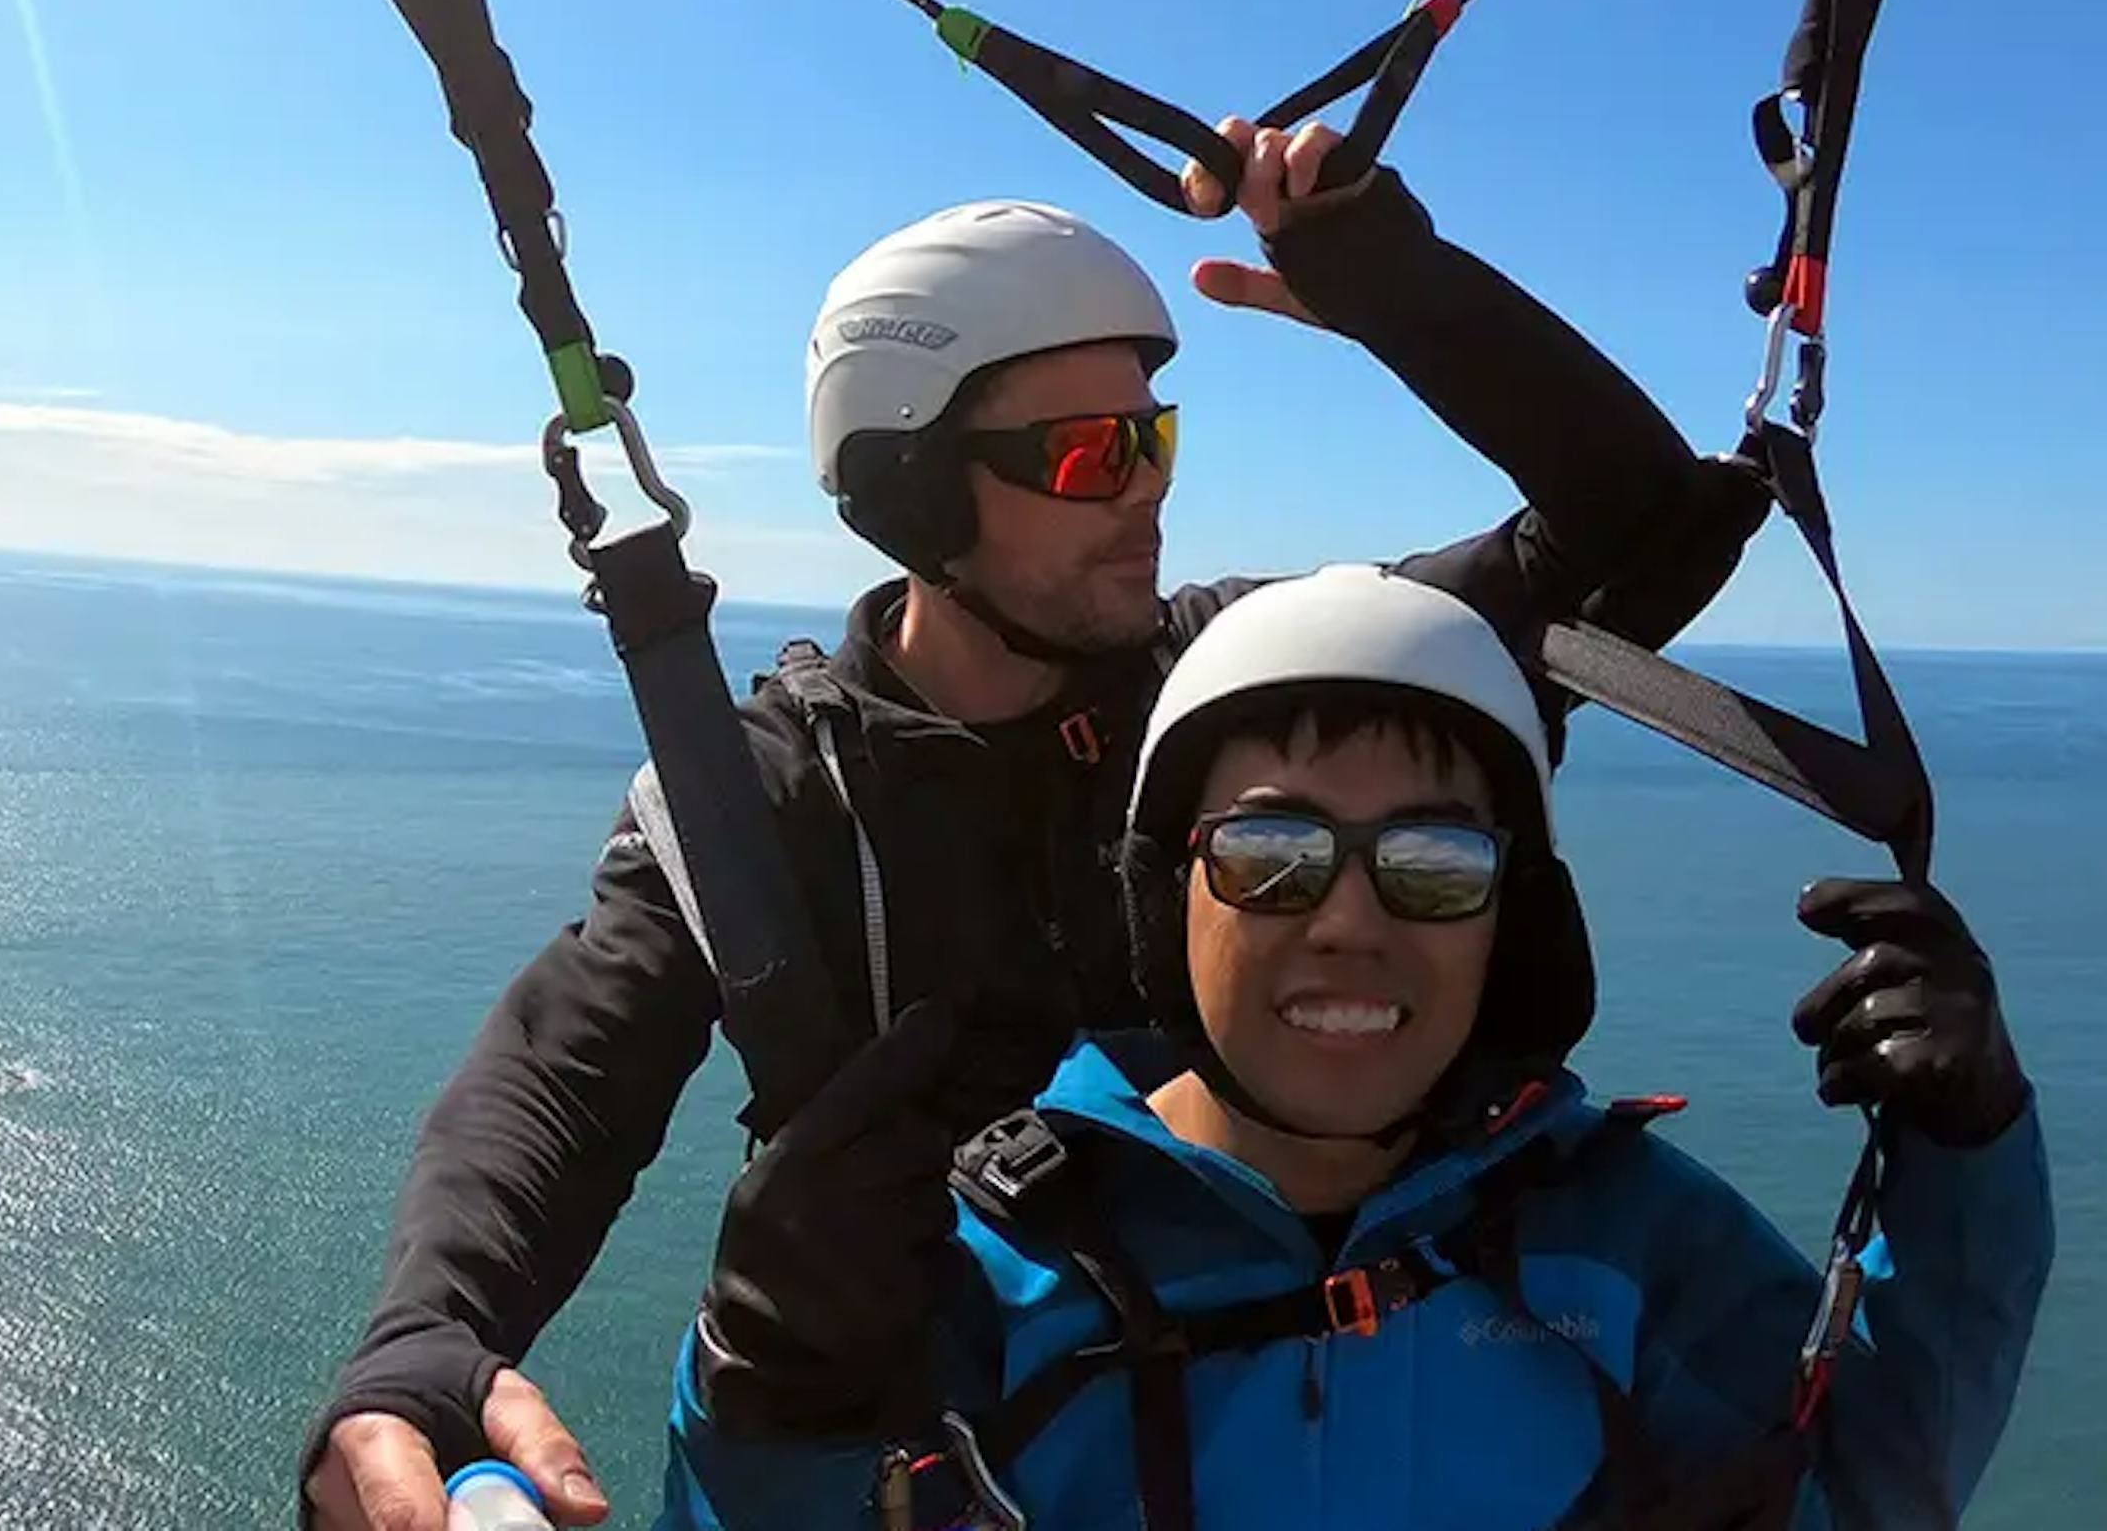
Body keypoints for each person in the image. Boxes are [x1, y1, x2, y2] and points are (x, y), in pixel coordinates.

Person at [304, 123, 1778, 1529]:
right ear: (913, 491)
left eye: (1155, 441)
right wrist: (429, 1340)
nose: (1142, 497)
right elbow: (565, 1077)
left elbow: (1649, 529)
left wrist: (1400, 288)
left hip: (1349, 1415)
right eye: (1084, 458)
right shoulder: (786, 799)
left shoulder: (1244, 690)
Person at [660, 563, 2051, 1530]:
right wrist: (762, 1383)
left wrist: (1962, 1164)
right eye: (1271, 854)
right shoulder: (984, 1272)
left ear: (1513, 922)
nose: (1346, 923)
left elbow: (1867, 1488)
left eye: (1434, 865)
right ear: (1166, 897)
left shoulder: (1617, 1242)